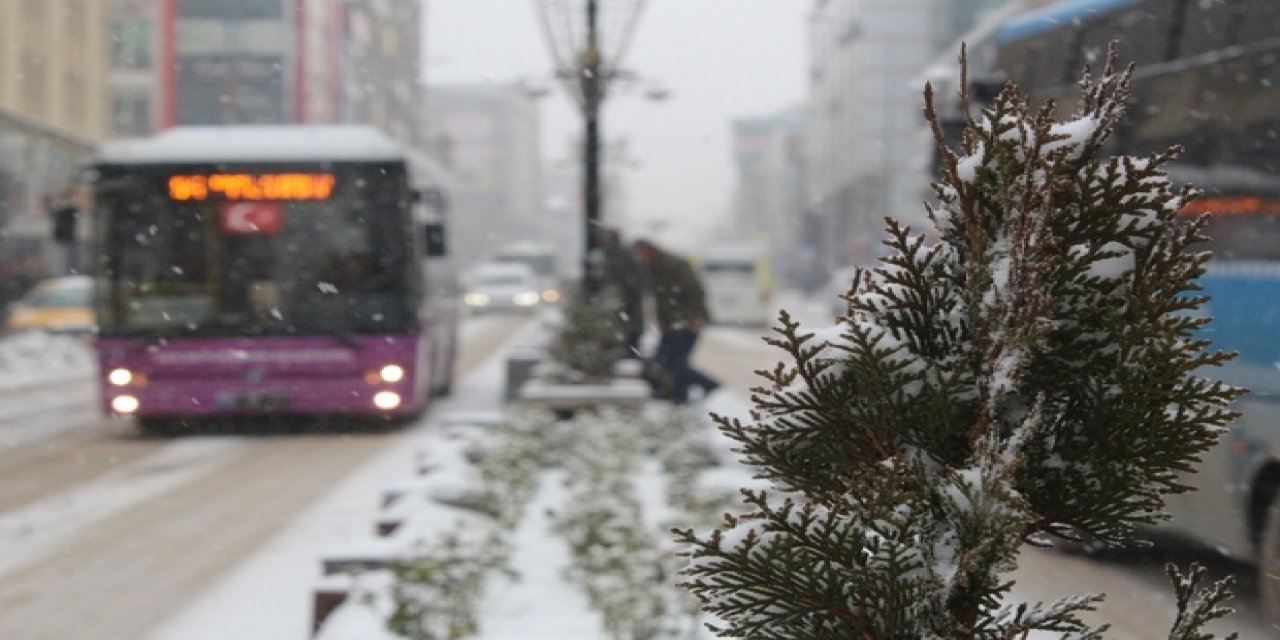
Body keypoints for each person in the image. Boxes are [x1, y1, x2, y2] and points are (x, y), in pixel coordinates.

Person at [630, 238, 720, 404]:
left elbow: (695, 291)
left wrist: (695, 318)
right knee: (667, 361)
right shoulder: (652, 267)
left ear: (649, 250)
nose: (639, 258)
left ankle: (707, 386)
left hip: (686, 322)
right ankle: (679, 396)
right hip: (671, 324)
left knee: (675, 363)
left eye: (639, 254)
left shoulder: (674, 265)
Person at [595, 226, 646, 356]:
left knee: (626, 353)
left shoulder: (619, 258)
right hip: (626, 316)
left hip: (625, 316)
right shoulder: (615, 257)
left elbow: (629, 287)